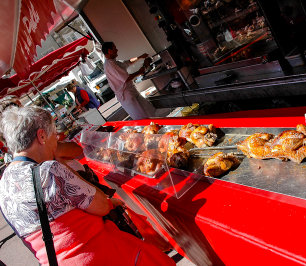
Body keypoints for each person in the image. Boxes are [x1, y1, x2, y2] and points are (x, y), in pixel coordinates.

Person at [0, 106, 175, 265]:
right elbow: (100, 206)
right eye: (54, 136)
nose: (56, 144)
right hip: (100, 254)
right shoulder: (49, 171)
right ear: (42, 136)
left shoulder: (3, 185)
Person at [102, 42, 156, 120]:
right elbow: (126, 78)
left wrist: (140, 57)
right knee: (141, 118)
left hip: (131, 92)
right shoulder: (110, 65)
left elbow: (127, 62)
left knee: (149, 111)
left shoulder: (113, 62)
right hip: (126, 96)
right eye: (115, 48)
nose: (117, 50)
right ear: (109, 51)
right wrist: (140, 71)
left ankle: (157, 124)